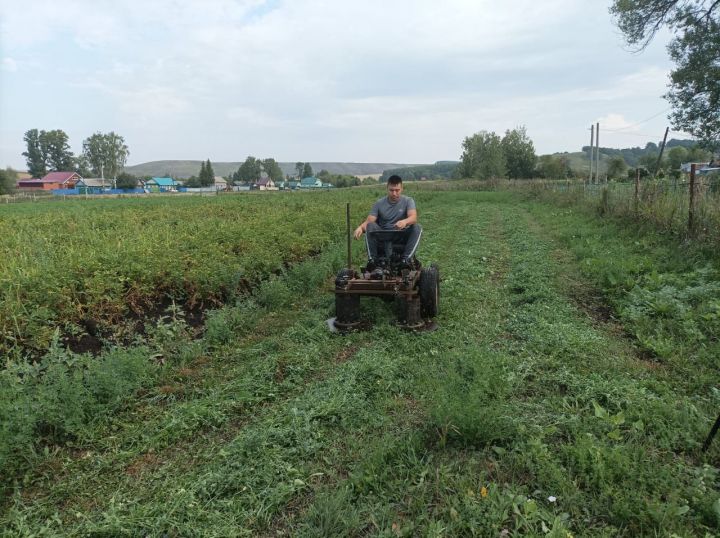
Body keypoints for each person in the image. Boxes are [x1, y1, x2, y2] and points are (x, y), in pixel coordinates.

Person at [353, 175, 422, 269]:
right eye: (391, 190)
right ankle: (372, 260)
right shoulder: (379, 203)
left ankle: (406, 260)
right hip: (383, 235)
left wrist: (405, 222)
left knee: (417, 227)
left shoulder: (408, 201)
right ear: (387, 189)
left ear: (402, 189)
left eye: (397, 190)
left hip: (401, 235)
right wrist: (360, 227)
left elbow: (413, 217)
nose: (394, 193)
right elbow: (369, 221)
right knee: (371, 225)